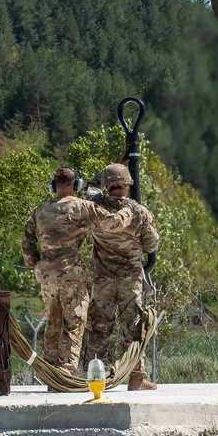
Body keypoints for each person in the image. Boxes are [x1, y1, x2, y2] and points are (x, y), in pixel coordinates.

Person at [21, 166, 130, 376]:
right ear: (76, 185)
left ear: (53, 186)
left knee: (52, 322)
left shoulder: (40, 210)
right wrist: (127, 211)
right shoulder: (83, 207)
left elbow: (27, 243)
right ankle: (66, 372)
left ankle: (49, 370)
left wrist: (36, 265)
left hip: (47, 277)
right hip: (72, 275)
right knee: (74, 323)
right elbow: (113, 223)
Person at [87, 163, 160, 391]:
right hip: (131, 280)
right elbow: (152, 243)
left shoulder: (94, 209)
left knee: (99, 329)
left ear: (106, 185)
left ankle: (95, 375)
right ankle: (136, 377)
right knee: (133, 328)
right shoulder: (138, 211)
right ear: (127, 185)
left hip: (103, 279)